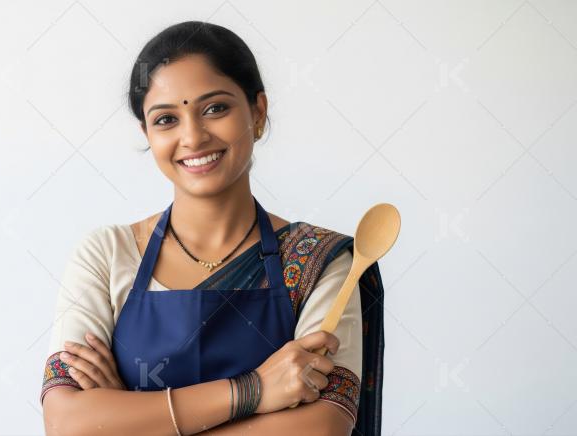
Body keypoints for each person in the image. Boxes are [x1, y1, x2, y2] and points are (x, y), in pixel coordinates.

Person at [40, 21, 385, 436]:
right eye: (166, 119)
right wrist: (254, 391)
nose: (193, 136)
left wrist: (128, 420)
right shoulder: (106, 254)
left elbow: (321, 429)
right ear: (147, 133)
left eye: (215, 109)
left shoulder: (319, 261)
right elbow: (65, 422)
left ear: (258, 111)